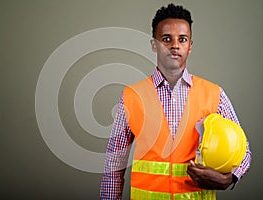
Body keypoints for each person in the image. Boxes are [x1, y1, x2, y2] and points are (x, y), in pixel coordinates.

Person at [100, 3, 251, 200]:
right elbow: (114, 164)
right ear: (154, 45)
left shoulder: (214, 94)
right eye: (166, 39)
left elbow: (244, 151)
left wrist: (230, 178)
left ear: (190, 46)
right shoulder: (131, 96)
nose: (175, 45)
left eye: (182, 39)